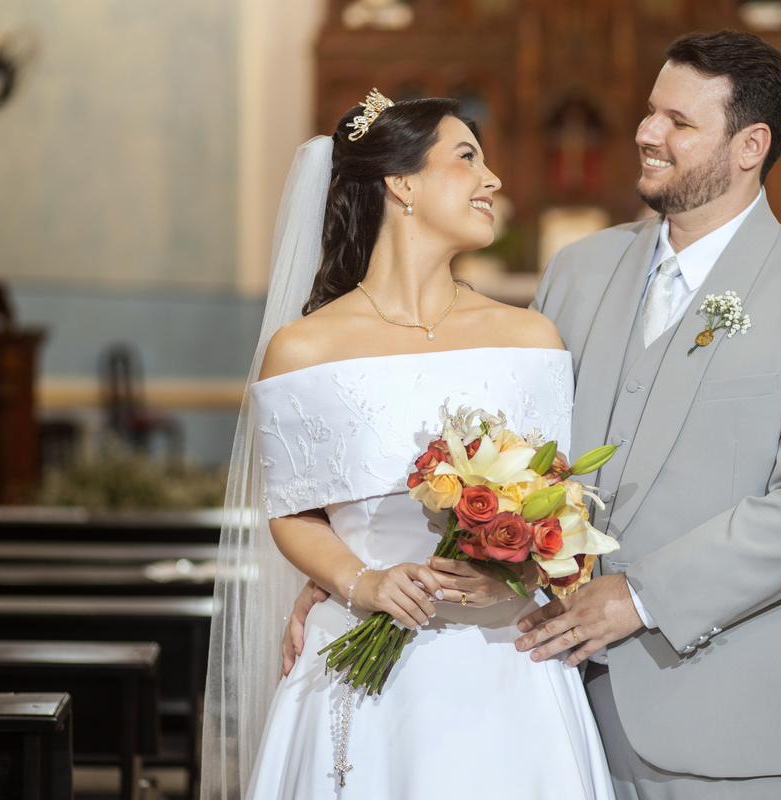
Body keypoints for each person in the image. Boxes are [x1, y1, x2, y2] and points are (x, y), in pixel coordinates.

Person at [283, 29, 781, 800]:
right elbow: (508, 454)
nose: (646, 132)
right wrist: (353, 570)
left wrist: (640, 596)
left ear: (750, 146)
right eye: (649, 112)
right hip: (562, 711)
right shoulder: (580, 271)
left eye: (678, 121)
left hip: (741, 722)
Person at [200, 93, 615, 800]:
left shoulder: (529, 339)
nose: (494, 180)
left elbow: (558, 504)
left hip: (503, 662)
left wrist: (514, 575)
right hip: (361, 655)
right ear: (402, 183)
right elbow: (293, 511)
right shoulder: (303, 349)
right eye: (467, 158)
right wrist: (363, 582)